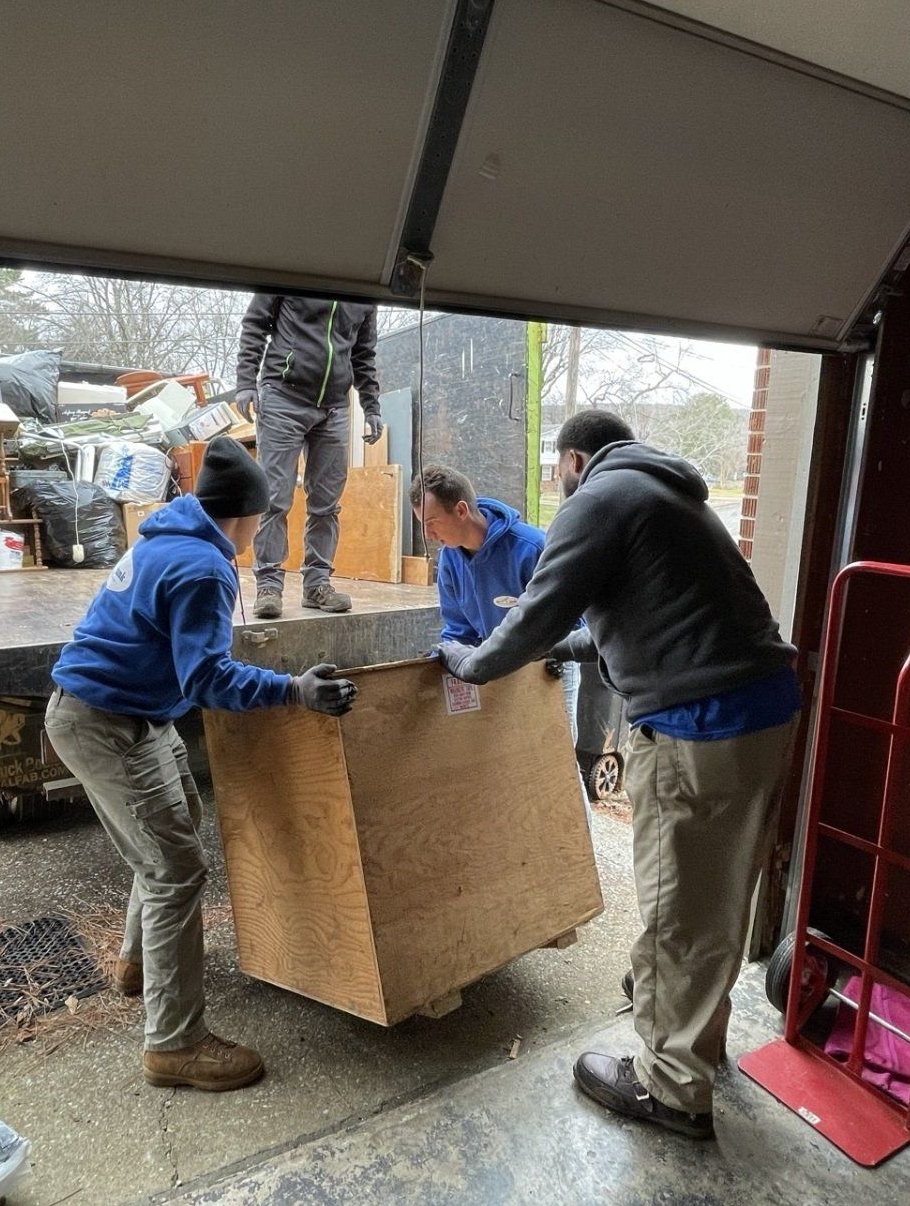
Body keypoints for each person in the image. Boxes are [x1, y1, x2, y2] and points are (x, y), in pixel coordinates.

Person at [440, 410, 801, 1140]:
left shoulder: (598, 499)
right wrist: (568, 652)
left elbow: (536, 614)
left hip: (697, 725)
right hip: (765, 713)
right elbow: (647, 617)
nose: (557, 483)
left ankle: (670, 1086)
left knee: (677, 910)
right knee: (717, 895)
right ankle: (697, 1036)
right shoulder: (667, 495)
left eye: (557, 470)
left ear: (575, 459)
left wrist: (469, 664)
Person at [45, 436, 359, 1093]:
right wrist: (292, 690)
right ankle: (174, 1044)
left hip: (124, 712)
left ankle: (140, 963)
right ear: (247, 515)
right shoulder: (203, 568)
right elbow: (208, 679)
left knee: (175, 826)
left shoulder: (168, 537)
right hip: (106, 723)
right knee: (174, 870)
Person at [233, 294, 384, 619]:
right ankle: (269, 586)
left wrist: (371, 405)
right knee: (274, 498)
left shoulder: (363, 293)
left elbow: (363, 353)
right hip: (283, 396)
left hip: (334, 406)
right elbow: (255, 325)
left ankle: (317, 584)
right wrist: (246, 382)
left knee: (326, 504)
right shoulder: (296, 273)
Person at [410, 463, 581, 747]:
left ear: (461, 510)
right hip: (497, 662)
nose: (427, 534)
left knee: (556, 753)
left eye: (432, 522)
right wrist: (446, 658)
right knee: (505, 753)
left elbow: (575, 619)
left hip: (549, 663)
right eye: (422, 524)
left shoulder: (533, 548)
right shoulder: (450, 559)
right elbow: (459, 630)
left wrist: (558, 653)